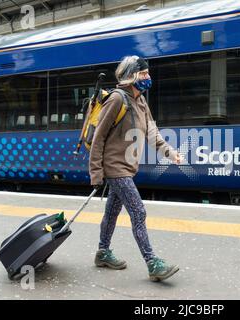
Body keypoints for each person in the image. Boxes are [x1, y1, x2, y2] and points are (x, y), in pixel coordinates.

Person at [89, 55, 182, 282]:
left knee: (111, 212)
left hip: (128, 168)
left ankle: (102, 252)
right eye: (143, 73)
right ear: (131, 76)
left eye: (147, 73)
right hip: (115, 167)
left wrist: (171, 153)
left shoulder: (141, 102)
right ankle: (153, 263)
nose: (148, 77)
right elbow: (99, 137)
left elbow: (153, 136)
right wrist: (96, 173)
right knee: (138, 212)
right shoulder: (117, 100)